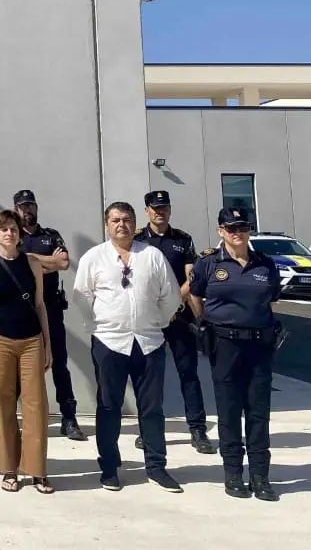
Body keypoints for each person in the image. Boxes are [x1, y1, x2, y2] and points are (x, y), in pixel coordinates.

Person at [73, 201, 182, 493]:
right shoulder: (94, 257)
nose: (122, 225)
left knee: (152, 408)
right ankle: (109, 468)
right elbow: (82, 296)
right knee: (109, 406)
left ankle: (156, 467)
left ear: (135, 224)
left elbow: (171, 295)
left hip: (149, 342)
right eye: (116, 220)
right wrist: (99, 325)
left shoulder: (152, 256)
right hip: (109, 342)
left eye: (127, 219)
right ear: (107, 225)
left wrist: (157, 322)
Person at [188, 208, 283, 502]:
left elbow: (272, 300)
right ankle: (233, 474)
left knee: (258, 411)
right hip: (225, 345)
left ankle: (260, 476)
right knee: (229, 411)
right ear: (221, 231)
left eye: (242, 227)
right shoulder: (208, 263)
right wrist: (207, 324)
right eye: (231, 228)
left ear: (249, 230)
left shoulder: (265, 264)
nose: (237, 233)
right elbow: (194, 295)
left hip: (259, 346)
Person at [134, 190, 216, 454]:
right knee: (149, 377)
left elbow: (191, 277)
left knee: (188, 374)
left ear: (170, 210)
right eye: (155, 208)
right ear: (147, 211)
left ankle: (198, 429)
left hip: (179, 317)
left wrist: (171, 304)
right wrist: (157, 308)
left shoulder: (182, 239)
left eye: (164, 207)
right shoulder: (136, 240)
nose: (160, 212)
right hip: (149, 319)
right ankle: (149, 430)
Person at [0, 209, 52, 494]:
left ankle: (37, 470)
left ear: (20, 234)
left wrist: (47, 344)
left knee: (36, 405)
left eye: (14, 229)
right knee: (3, 402)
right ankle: (9, 468)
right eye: (4, 229)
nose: (9, 233)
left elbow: (40, 305)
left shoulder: (32, 263)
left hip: (31, 339)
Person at [14, 189, 85, 441]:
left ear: (36, 207)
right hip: (23, 312)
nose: (27, 210)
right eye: (23, 207)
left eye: (30, 205)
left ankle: (69, 418)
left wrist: (30, 260)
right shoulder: (13, 235)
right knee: (20, 368)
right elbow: (15, 264)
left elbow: (63, 263)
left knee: (59, 364)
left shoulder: (50, 235)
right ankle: (16, 419)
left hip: (52, 309)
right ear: (16, 210)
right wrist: (46, 263)